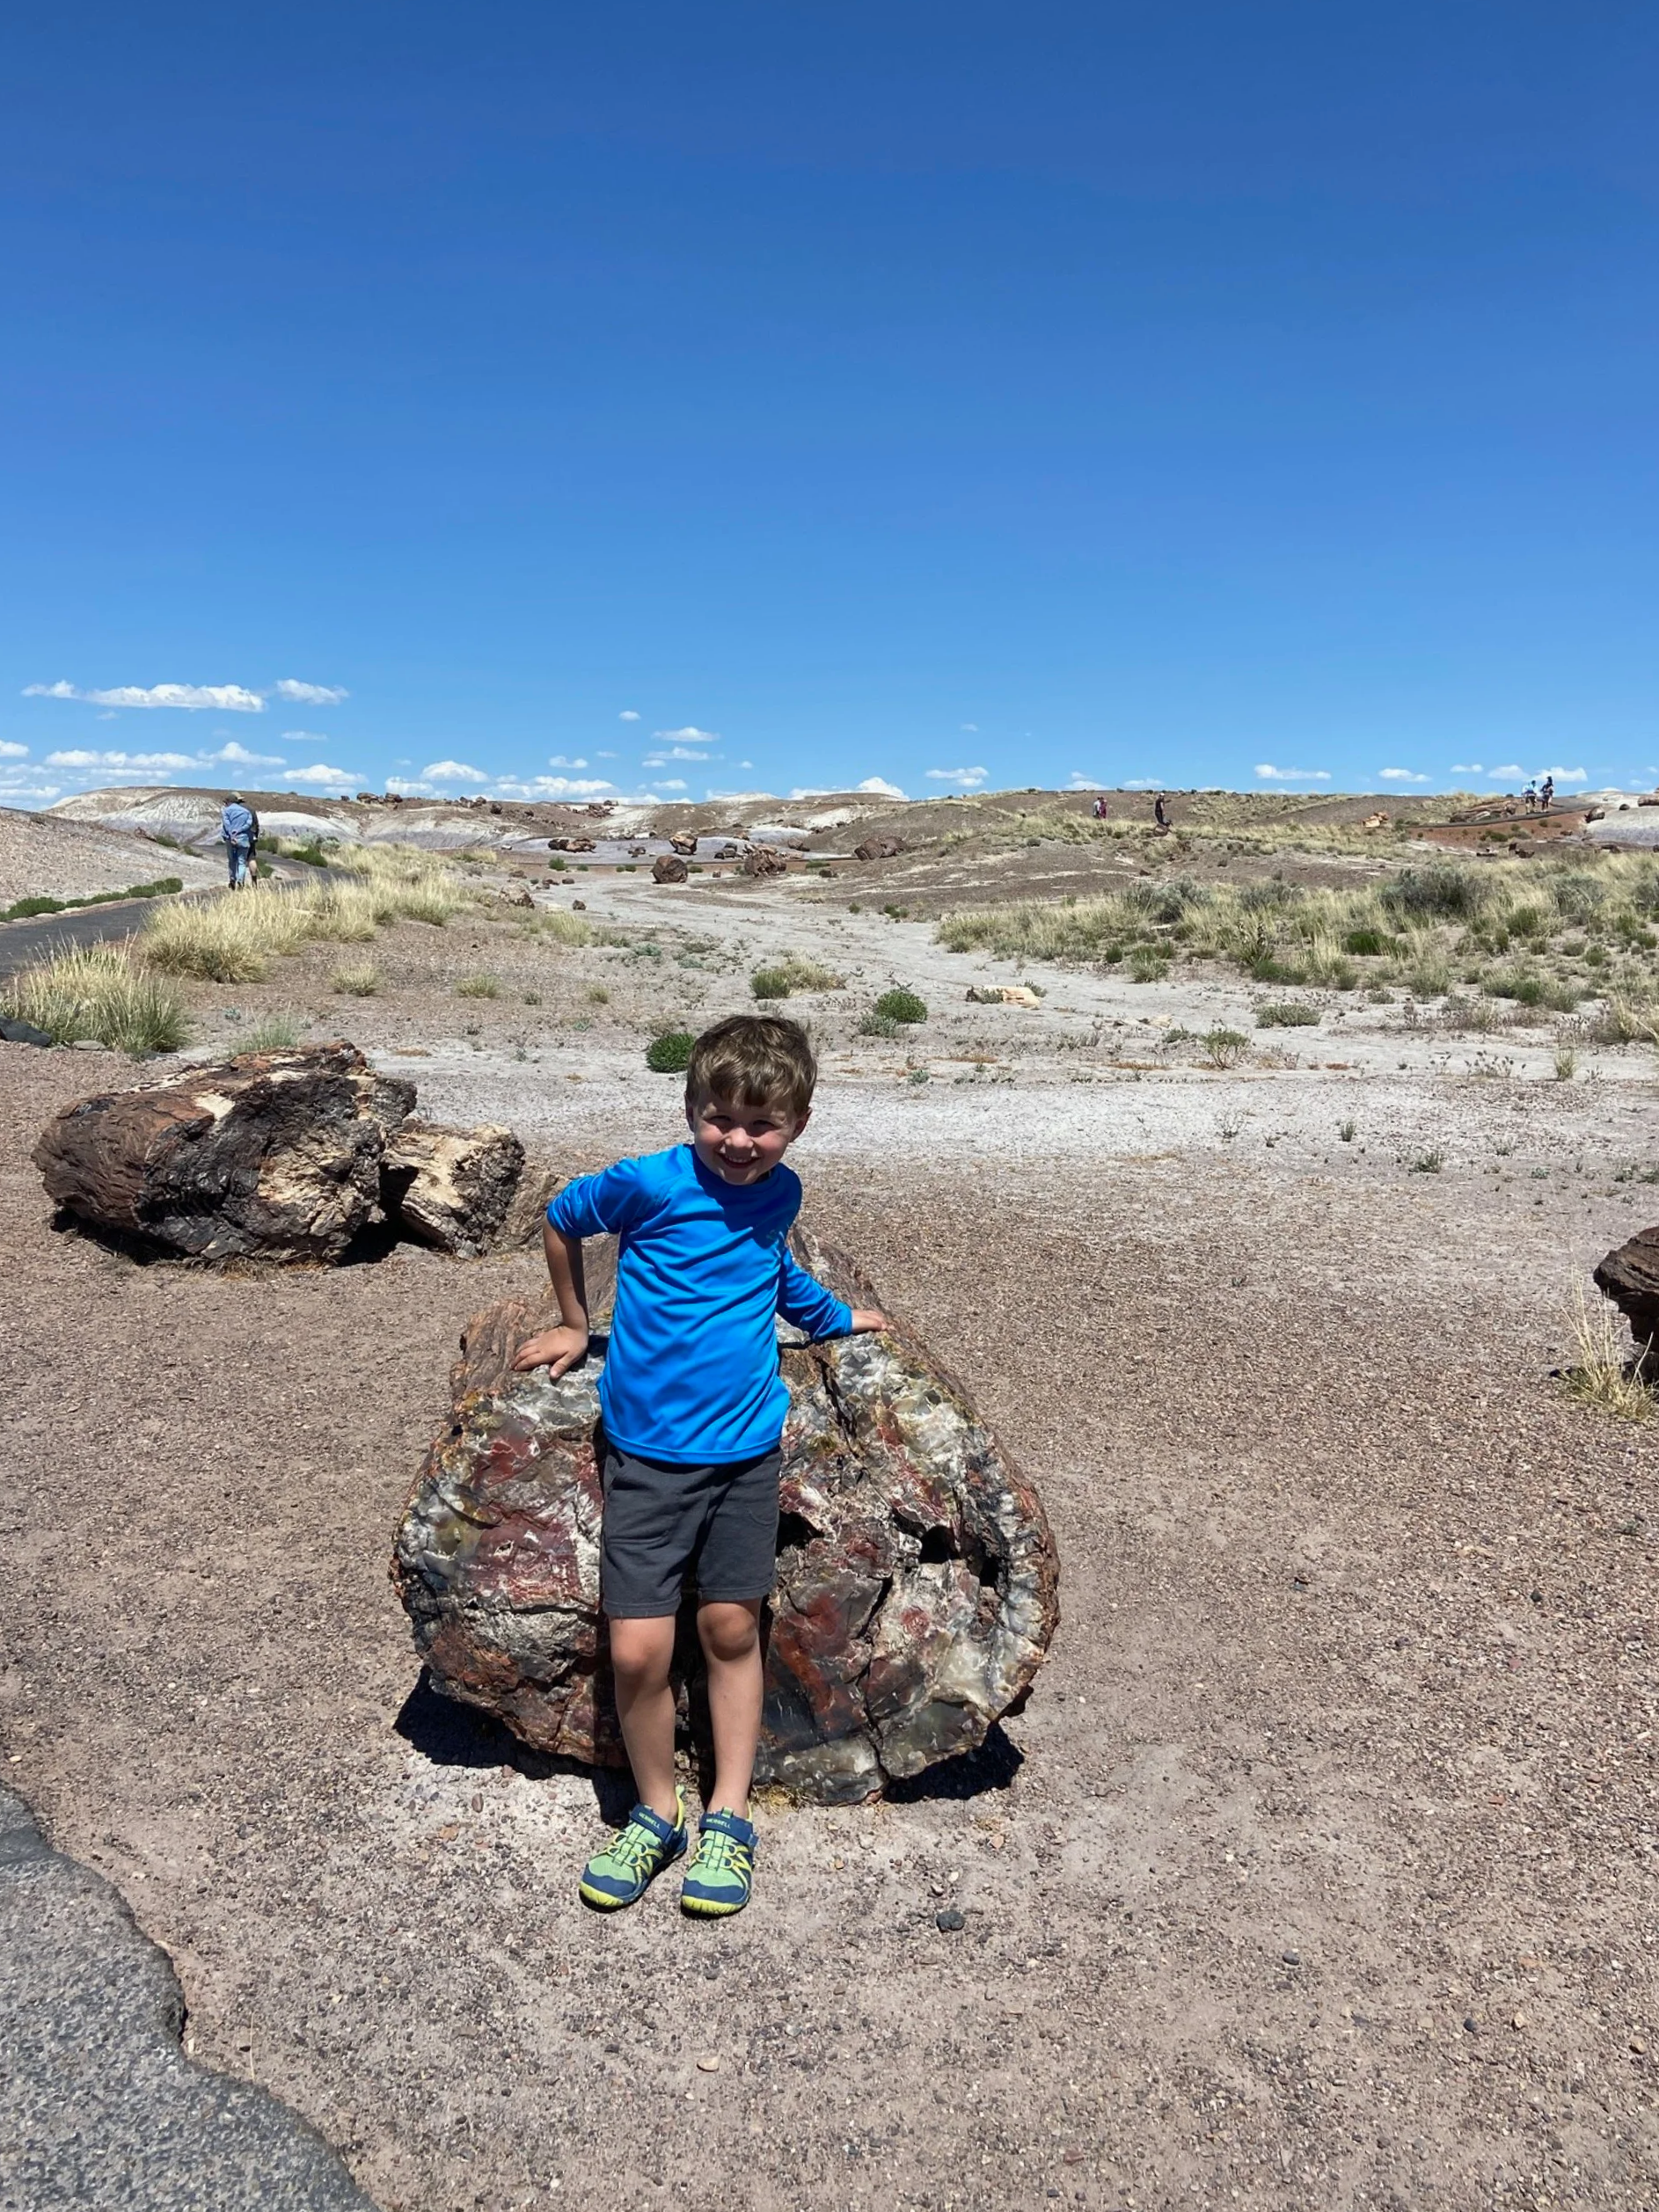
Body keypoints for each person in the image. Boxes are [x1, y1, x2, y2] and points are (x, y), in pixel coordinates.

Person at [512, 1014, 888, 1919]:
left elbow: (771, 1271)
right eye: (719, 1118)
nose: (738, 1140)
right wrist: (571, 1321)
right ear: (690, 1108)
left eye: (761, 1125)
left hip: (744, 1454)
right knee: (637, 1646)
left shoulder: (779, 1190)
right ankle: (653, 1811)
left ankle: (727, 1815)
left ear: (794, 1124)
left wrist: (832, 1315)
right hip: (646, 1455)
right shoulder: (646, 1183)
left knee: (728, 1627)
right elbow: (561, 1219)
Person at [219, 793, 258, 888]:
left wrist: (231, 834)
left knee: (232, 861)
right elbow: (249, 824)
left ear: (228, 802)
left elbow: (226, 824)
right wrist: (240, 830)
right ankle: (241, 881)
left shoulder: (226, 811)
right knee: (242, 862)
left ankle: (232, 880)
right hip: (244, 838)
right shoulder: (247, 811)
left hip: (231, 838)